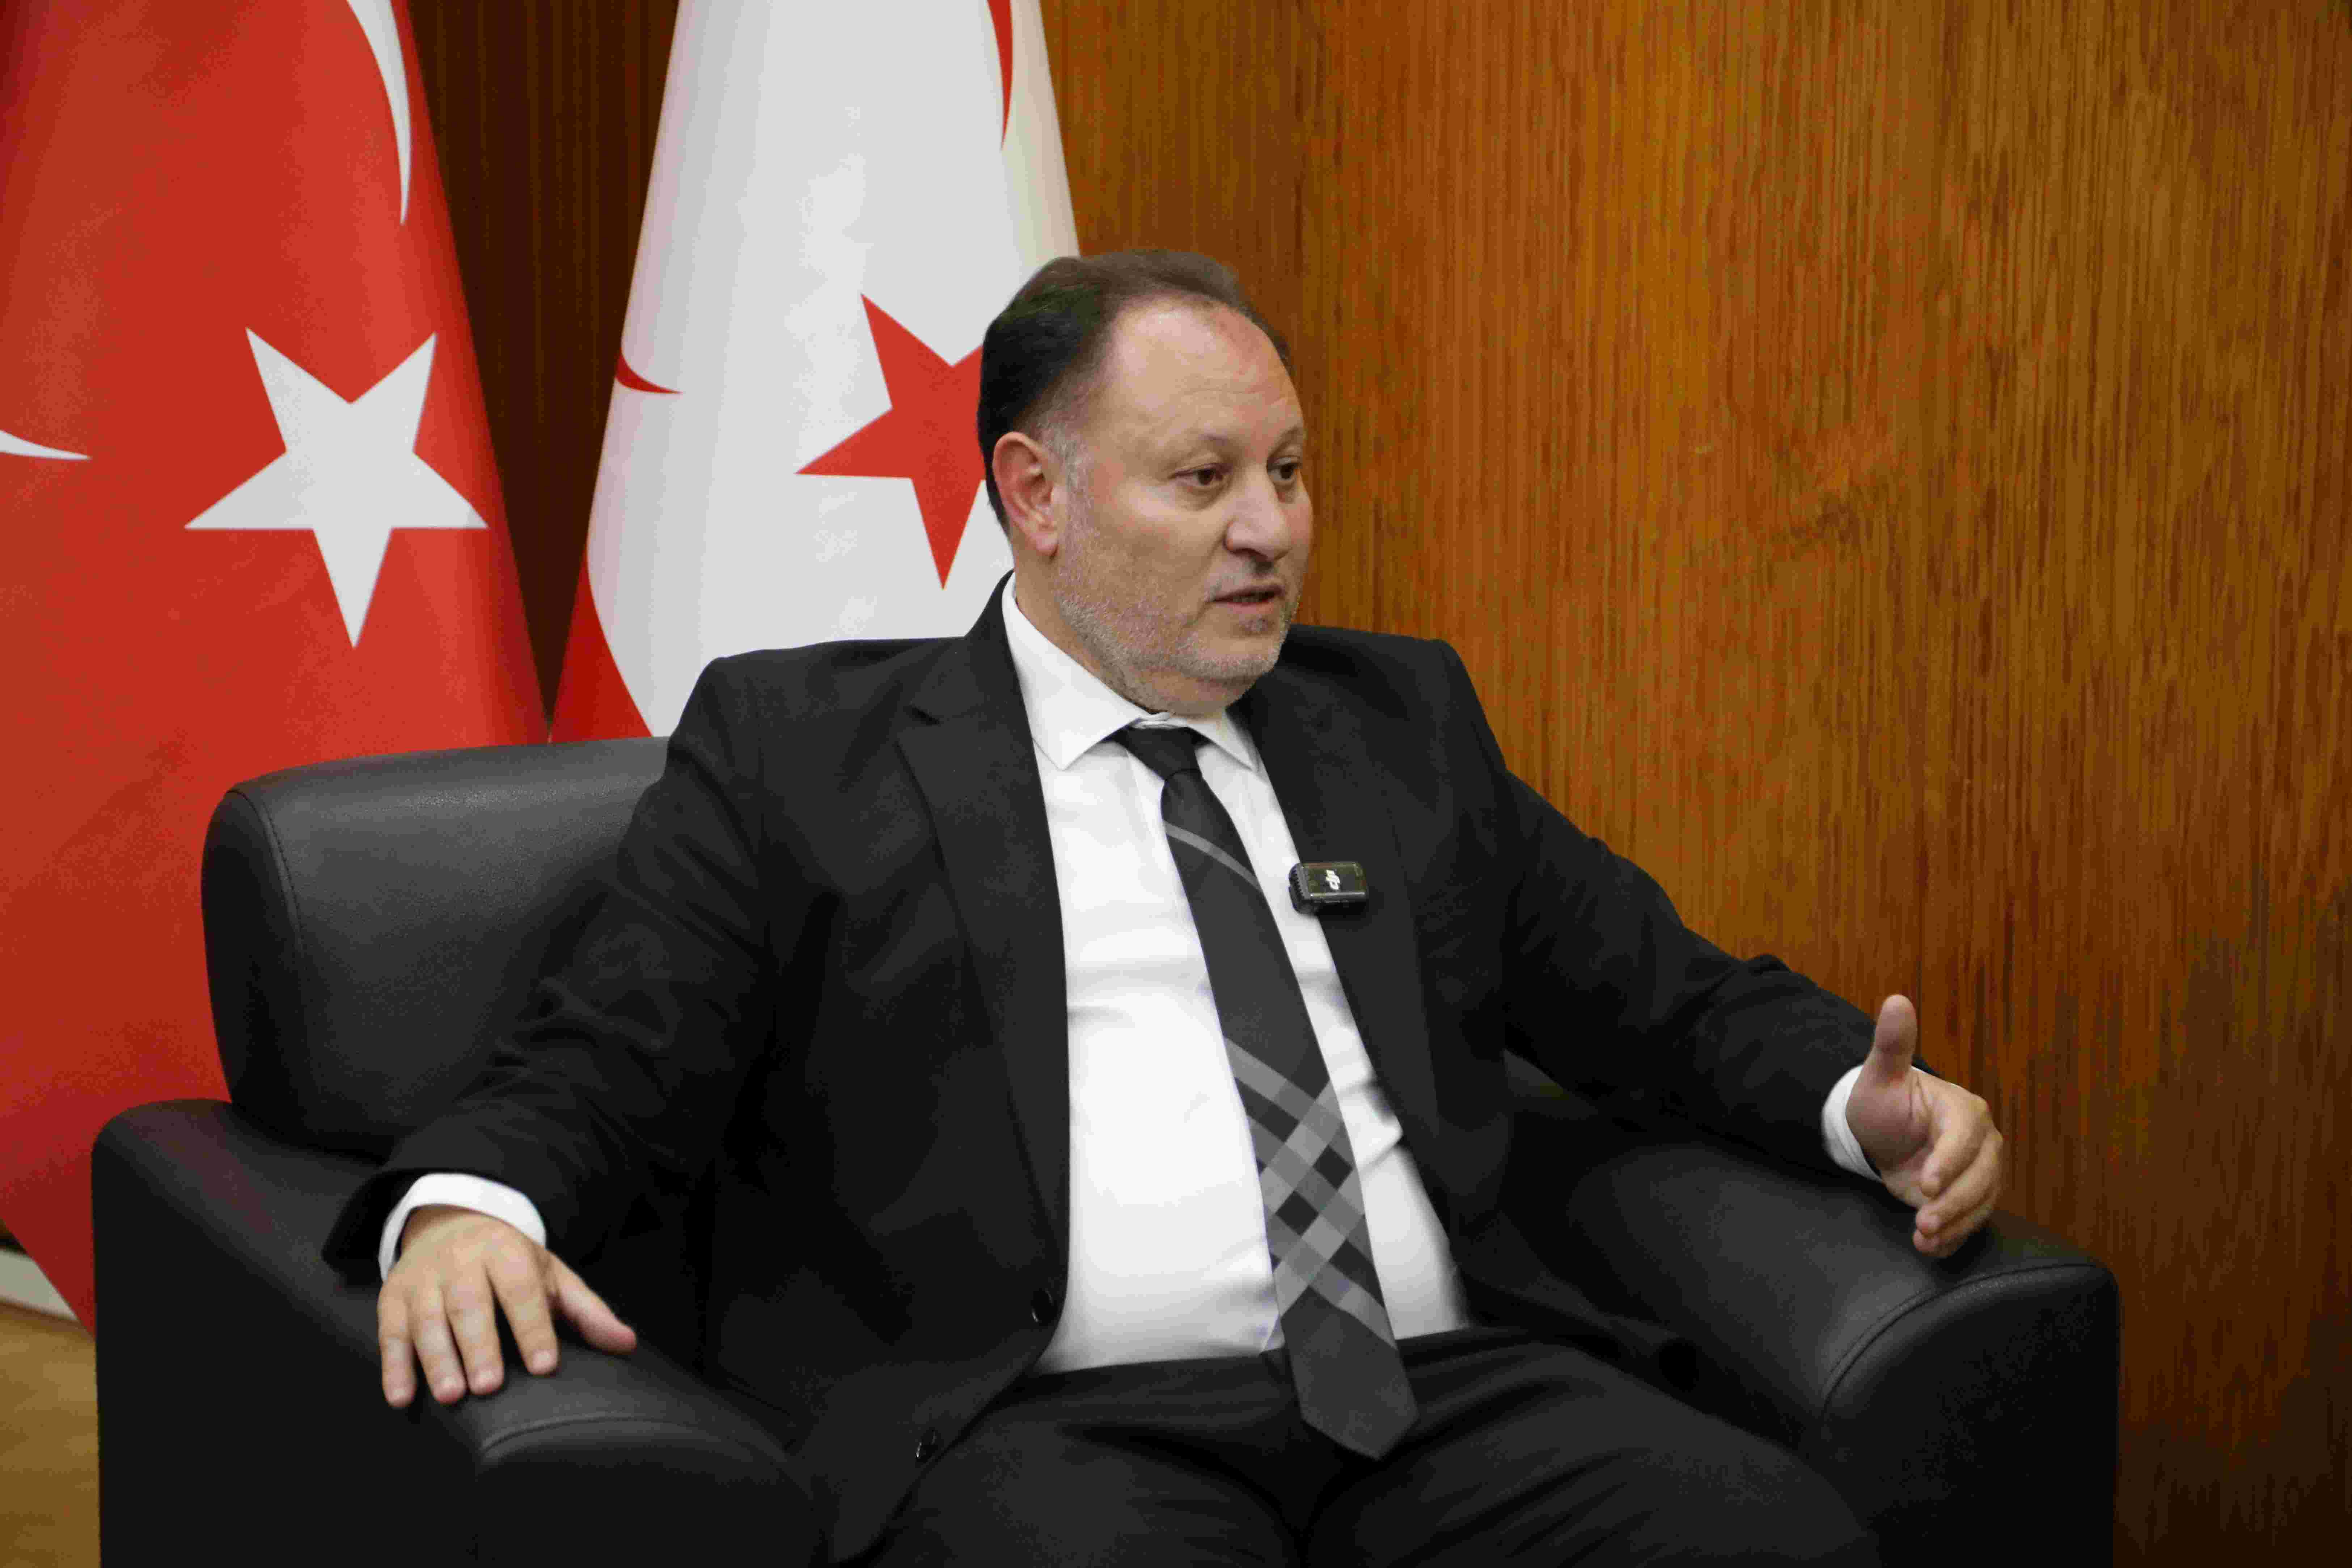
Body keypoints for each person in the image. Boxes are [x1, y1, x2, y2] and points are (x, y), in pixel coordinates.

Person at [326, 249, 2006, 1565]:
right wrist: (469, 1207)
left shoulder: (1394, 726)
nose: (1271, 529)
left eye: (1289, 470)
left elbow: (1657, 994)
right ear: (1036, 496)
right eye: (1203, 480)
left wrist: (1853, 1102)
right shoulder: (803, 755)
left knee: (1772, 1539)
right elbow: (613, 1049)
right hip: (1045, 1429)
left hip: (1449, 1402)